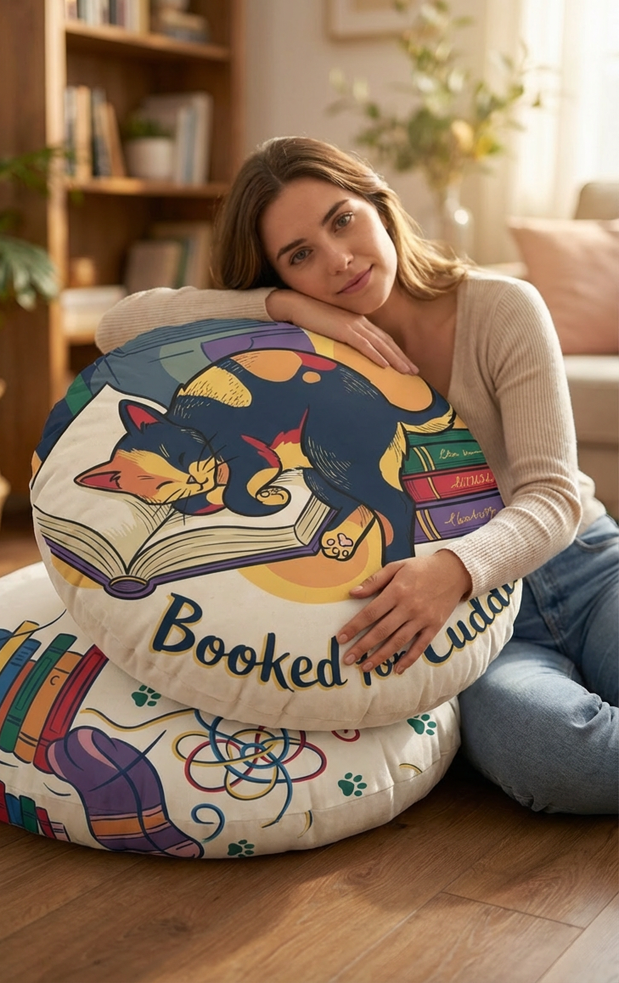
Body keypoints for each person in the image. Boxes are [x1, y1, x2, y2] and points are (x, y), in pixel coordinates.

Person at [96, 136, 618, 815]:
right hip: (480, 626)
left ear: (379, 203)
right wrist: (283, 310)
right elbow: (117, 327)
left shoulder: (501, 306)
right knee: (551, 753)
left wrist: (456, 566)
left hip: (579, 568)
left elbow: (551, 493)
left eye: (342, 219)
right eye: (300, 255)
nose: (339, 259)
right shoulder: (293, 340)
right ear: (276, 274)